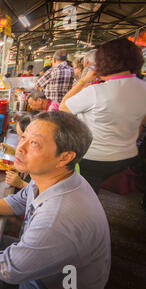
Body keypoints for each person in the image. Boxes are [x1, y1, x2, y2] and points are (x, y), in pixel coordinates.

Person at [0, 111, 111, 289]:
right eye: (23, 137)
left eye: (34, 143)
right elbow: (17, 202)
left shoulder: (57, 218)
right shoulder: (50, 176)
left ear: (65, 157)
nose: (19, 148)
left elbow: (7, 269)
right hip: (43, 273)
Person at [59, 38, 146, 193]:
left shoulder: (97, 91)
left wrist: (84, 81)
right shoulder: (143, 87)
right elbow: (140, 124)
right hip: (127, 156)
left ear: (104, 62)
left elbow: (63, 107)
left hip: (93, 158)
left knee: (85, 191)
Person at [1, 111, 40, 189]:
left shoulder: (41, 163)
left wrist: (21, 184)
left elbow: (42, 192)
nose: (19, 141)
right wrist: (13, 152)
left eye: (22, 137)